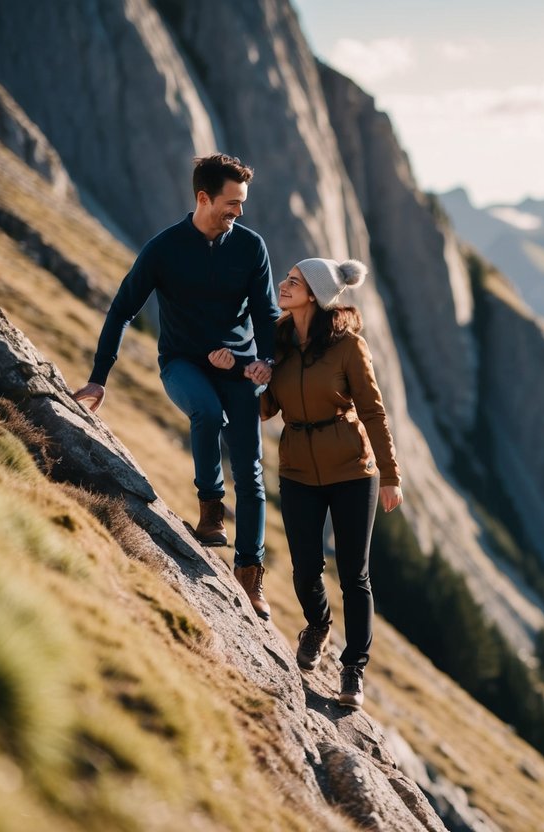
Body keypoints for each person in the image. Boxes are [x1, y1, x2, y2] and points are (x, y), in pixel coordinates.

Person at [72, 154, 277, 621]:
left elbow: (266, 315)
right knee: (206, 412)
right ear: (203, 198)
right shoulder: (163, 249)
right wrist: (99, 378)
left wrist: (264, 361)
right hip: (182, 363)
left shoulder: (251, 247)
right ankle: (210, 508)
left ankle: (250, 575)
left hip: (240, 368)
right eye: (231, 203)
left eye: (242, 203)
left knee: (251, 472)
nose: (239, 212)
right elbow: (121, 309)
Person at [215, 257, 401, 709]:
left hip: (354, 470)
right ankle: (317, 625)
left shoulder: (348, 346)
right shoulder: (276, 343)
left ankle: (352, 669)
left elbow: (373, 412)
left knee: (354, 575)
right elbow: (265, 410)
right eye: (286, 278)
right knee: (304, 568)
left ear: (315, 295)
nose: (283, 284)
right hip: (298, 468)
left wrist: (391, 475)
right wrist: (242, 374)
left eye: (293, 281)